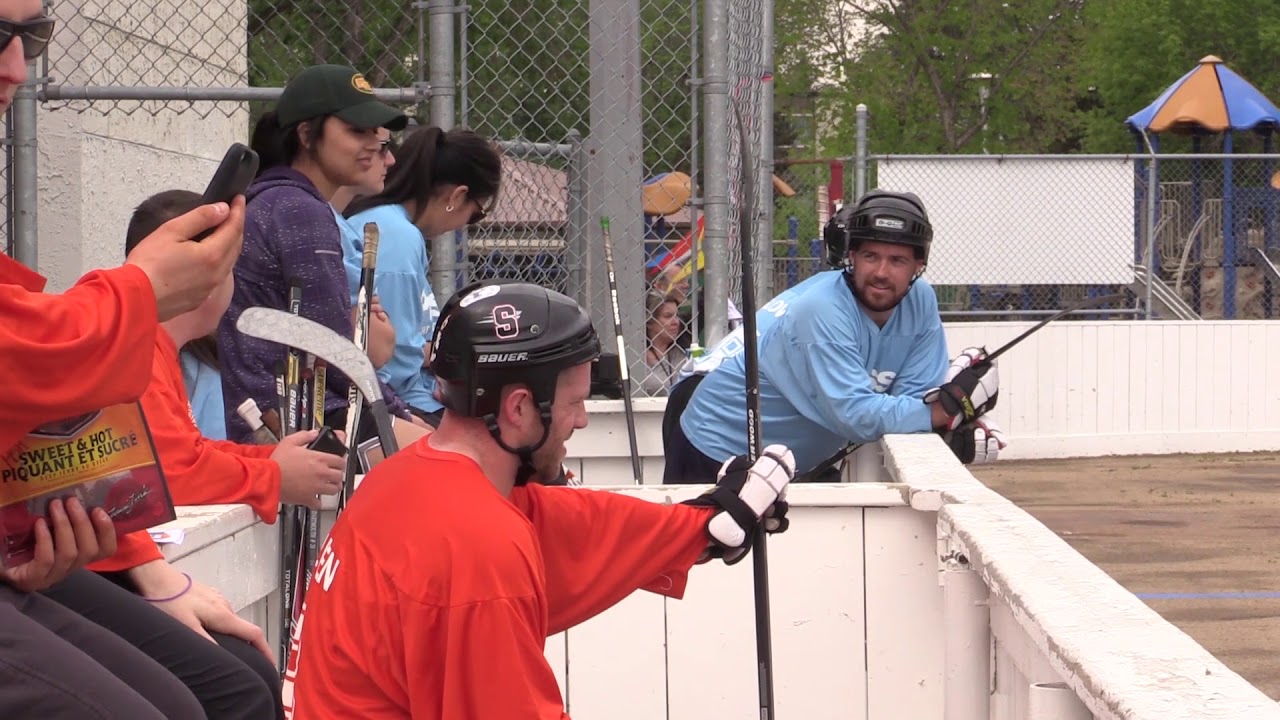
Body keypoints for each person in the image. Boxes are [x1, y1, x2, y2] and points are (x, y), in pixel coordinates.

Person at [281, 281, 796, 718]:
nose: (582, 420)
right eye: (575, 403)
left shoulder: (403, 480)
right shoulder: (479, 549)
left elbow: (575, 525)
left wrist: (702, 525)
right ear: (520, 408)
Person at [0, 3, 252, 715]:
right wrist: (140, 292)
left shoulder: (171, 352)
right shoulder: (146, 338)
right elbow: (168, 465)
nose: (17, 66)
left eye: (33, 37)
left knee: (218, 690)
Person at [663, 189, 1004, 484]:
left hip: (803, 458)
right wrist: (943, 413)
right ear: (851, 256)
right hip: (720, 447)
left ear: (919, 265)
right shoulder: (821, 308)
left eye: (898, 260)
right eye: (870, 256)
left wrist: (947, 418)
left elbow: (913, 398)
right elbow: (855, 414)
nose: (881, 272)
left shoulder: (921, 301)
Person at [217, 63, 429, 448]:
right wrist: (400, 413)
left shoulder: (276, 197)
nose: (374, 145)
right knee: (452, 463)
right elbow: (334, 352)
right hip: (298, 421)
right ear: (306, 134)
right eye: (357, 130)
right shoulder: (299, 209)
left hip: (286, 410)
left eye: (376, 134)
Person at [343, 125, 502, 427]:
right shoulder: (397, 237)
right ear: (458, 196)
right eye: (476, 213)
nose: (465, 224)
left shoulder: (394, 226)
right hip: (407, 404)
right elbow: (394, 361)